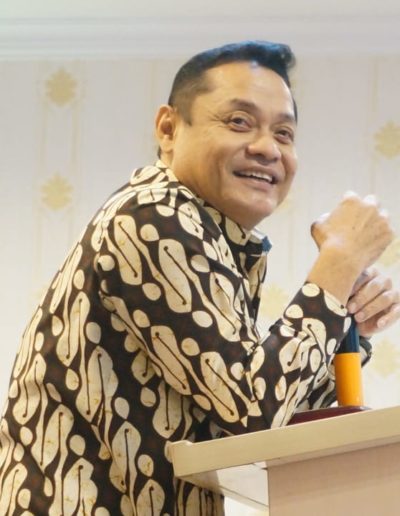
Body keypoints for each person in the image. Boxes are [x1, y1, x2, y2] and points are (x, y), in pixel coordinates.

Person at [0, 41, 399, 516]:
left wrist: (347, 325)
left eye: (284, 133)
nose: (267, 148)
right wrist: (338, 261)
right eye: (239, 121)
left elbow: (274, 415)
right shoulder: (154, 213)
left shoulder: (211, 237)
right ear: (168, 129)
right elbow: (254, 415)